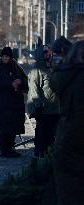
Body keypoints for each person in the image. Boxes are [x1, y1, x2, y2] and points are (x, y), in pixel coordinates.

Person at [49, 40, 84, 205]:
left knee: (67, 186)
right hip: (74, 133)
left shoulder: (63, 75)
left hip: (67, 134)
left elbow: (54, 83)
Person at [0, 46, 28, 158]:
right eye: (4, 56)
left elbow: (25, 82)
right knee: (3, 128)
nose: (5, 58)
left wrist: (20, 81)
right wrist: (10, 84)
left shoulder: (17, 69)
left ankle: (11, 148)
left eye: (7, 56)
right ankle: (4, 149)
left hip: (15, 104)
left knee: (13, 127)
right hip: (2, 104)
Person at [27, 45, 60, 158]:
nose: (48, 54)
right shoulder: (37, 69)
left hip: (55, 107)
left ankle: (49, 154)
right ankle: (40, 153)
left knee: (52, 133)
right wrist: (38, 103)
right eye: (45, 52)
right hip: (44, 108)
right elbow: (33, 88)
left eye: (50, 52)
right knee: (42, 132)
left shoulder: (52, 66)